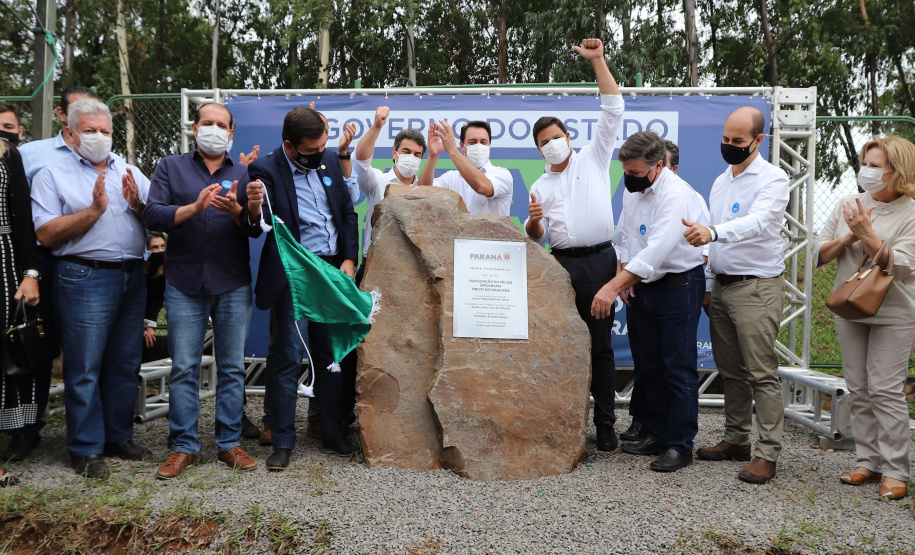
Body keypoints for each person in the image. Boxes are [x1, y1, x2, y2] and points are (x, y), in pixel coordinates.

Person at [30, 99, 152, 478]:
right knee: (84, 366)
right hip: (84, 277)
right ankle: (84, 448)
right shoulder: (52, 174)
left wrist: (138, 206)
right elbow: (45, 233)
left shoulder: (130, 170)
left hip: (132, 276)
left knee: (124, 363)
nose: (100, 138)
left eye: (106, 132)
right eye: (90, 131)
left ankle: (118, 436)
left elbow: (158, 218)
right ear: (70, 133)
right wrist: (93, 212)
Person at [144, 102, 262, 479]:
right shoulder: (170, 167)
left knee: (231, 367)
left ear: (231, 134)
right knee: (184, 368)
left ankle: (229, 443)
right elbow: (153, 215)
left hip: (232, 281)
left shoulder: (245, 172)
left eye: (221, 125)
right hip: (183, 282)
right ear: (195, 128)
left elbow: (255, 229)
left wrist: (241, 211)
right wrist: (194, 207)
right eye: (206, 123)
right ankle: (183, 446)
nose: (213, 129)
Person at [241, 106, 359, 471]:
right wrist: (253, 208)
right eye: (312, 149)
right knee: (289, 356)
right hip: (294, 273)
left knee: (331, 354)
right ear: (291, 147)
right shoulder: (266, 170)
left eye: (323, 145)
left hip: (331, 271)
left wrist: (349, 259)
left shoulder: (326, 164)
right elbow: (258, 225)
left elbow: (347, 214)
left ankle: (331, 430)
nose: (319, 153)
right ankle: (282, 439)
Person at [524, 38, 624, 452]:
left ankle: (605, 422)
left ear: (568, 135)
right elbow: (539, 237)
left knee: (600, 347)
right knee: (561, 344)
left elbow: (613, 108)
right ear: (538, 149)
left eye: (556, 136)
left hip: (601, 262)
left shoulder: (594, 157)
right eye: (543, 141)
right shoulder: (538, 184)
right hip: (561, 266)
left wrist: (597, 60)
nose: (552, 144)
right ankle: (564, 421)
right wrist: (532, 223)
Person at [682, 106, 789, 484]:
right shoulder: (720, 180)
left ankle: (768, 452)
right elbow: (715, 245)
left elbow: (758, 223)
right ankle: (737, 440)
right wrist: (709, 285)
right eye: (725, 139)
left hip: (756, 286)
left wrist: (711, 232)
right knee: (730, 370)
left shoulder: (774, 179)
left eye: (737, 141)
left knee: (761, 372)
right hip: (723, 287)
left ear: (758, 141)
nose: (729, 146)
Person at [594, 131, 707, 472]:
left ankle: (680, 444)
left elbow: (658, 248)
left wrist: (613, 286)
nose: (628, 179)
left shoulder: (676, 195)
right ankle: (656, 433)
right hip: (644, 285)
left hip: (679, 284)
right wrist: (624, 270)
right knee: (651, 365)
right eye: (625, 172)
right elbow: (626, 235)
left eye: (635, 173)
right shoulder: (635, 189)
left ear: (658, 166)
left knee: (678, 367)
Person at [813, 136, 915, 500]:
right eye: (866, 163)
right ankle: (867, 461)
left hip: (894, 313)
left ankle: (895, 470)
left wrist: (867, 235)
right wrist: (846, 239)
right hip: (850, 308)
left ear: (898, 172)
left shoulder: (912, 212)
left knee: (886, 390)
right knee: (859, 388)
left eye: (877, 166)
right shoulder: (847, 203)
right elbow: (818, 253)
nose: (868, 172)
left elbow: (901, 266)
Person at [0, 116, 42, 481]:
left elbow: (23, 218)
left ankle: (17, 434)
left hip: (4, 258)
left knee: (11, 344)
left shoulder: (9, 156)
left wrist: (30, 272)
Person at [353, 107, 427, 275]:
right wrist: (376, 127)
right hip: (374, 265)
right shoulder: (378, 181)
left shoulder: (426, 188)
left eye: (417, 154)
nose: (412, 157)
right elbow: (360, 161)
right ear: (395, 153)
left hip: (411, 269)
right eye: (406, 152)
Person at [418, 120, 514, 216]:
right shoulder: (451, 177)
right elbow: (423, 191)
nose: (479, 146)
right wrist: (433, 156)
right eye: (472, 142)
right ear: (462, 146)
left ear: (489, 146)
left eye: (483, 142)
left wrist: (452, 150)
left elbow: (483, 187)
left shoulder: (502, 174)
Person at [19, 86, 107, 185]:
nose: (87, 118)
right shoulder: (29, 154)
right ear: (61, 113)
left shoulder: (115, 163)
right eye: (79, 111)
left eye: (95, 111)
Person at [143, 232, 167, 362]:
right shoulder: (136, 271)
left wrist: (150, 326)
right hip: (129, 320)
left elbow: (156, 300)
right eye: (155, 247)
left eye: (163, 247)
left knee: (149, 341)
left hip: (147, 321)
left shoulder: (161, 273)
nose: (160, 251)